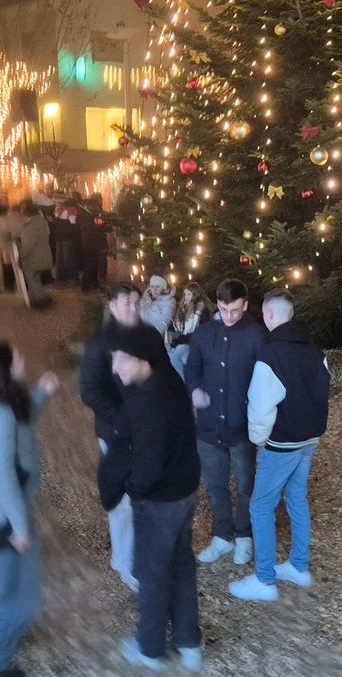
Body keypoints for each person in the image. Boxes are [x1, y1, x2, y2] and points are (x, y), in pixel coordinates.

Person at [97, 326, 202, 672]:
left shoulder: (147, 404)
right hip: (185, 492)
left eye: (122, 359)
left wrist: (134, 489)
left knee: (153, 574)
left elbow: (148, 466)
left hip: (159, 501)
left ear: (143, 359)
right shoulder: (171, 384)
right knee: (182, 566)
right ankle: (189, 644)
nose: (116, 368)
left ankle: (150, 648)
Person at [229, 289, 330, 600]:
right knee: (297, 497)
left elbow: (260, 408)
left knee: (261, 506)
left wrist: (260, 440)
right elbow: (324, 390)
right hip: (310, 438)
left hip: (282, 443)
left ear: (269, 315)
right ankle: (299, 567)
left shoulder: (271, 355)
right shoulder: (315, 350)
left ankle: (264, 579)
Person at [79, 281, 174, 592]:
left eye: (135, 302)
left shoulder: (149, 337)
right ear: (112, 307)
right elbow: (90, 391)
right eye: (126, 304)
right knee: (122, 501)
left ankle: (143, 553)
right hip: (117, 433)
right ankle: (125, 562)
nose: (133, 308)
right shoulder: (100, 345)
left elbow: (166, 373)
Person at [185, 279, 265, 566]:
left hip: (241, 427)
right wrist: (194, 390)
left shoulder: (256, 336)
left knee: (246, 484)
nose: (228, 316)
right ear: (217, 305)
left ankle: (244, 535)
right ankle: (222, 535)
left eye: (234, 310)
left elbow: (265, 381)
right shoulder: (204, 335)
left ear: (244, 305)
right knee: (215, 484)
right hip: (208, 427)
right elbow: (192, 368)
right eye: (223, 309)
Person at [0, 344, 61, 675]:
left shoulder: (11, 400)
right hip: (7, 517)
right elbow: (3, 473)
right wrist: (21, 527)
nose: (24, 359)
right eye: (17, 358)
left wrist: (42, 393)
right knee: (20, 600)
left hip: (12, 510)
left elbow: (21, 424)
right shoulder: (2, 411)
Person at [165, 282, 212, 380]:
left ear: (196, 295)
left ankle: (183, 382)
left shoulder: (202, 310)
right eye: (185, 294)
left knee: (176, 354)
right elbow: (174, 324)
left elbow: (200, 334)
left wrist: (178, 339)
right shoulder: (183, 308)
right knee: (168, 352)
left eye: (189, 294)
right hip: (182, 340)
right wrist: (170, 334)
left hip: (194, 344)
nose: (186, 297)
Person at [18, 201, 52, 307]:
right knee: (36, 278)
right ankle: (42, 296)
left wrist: (21, 255)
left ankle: (41, 300)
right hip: (44, 255)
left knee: (31, 277)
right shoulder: (42, 221)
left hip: (33, 257)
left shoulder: (30, 226)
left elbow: (28, 245)